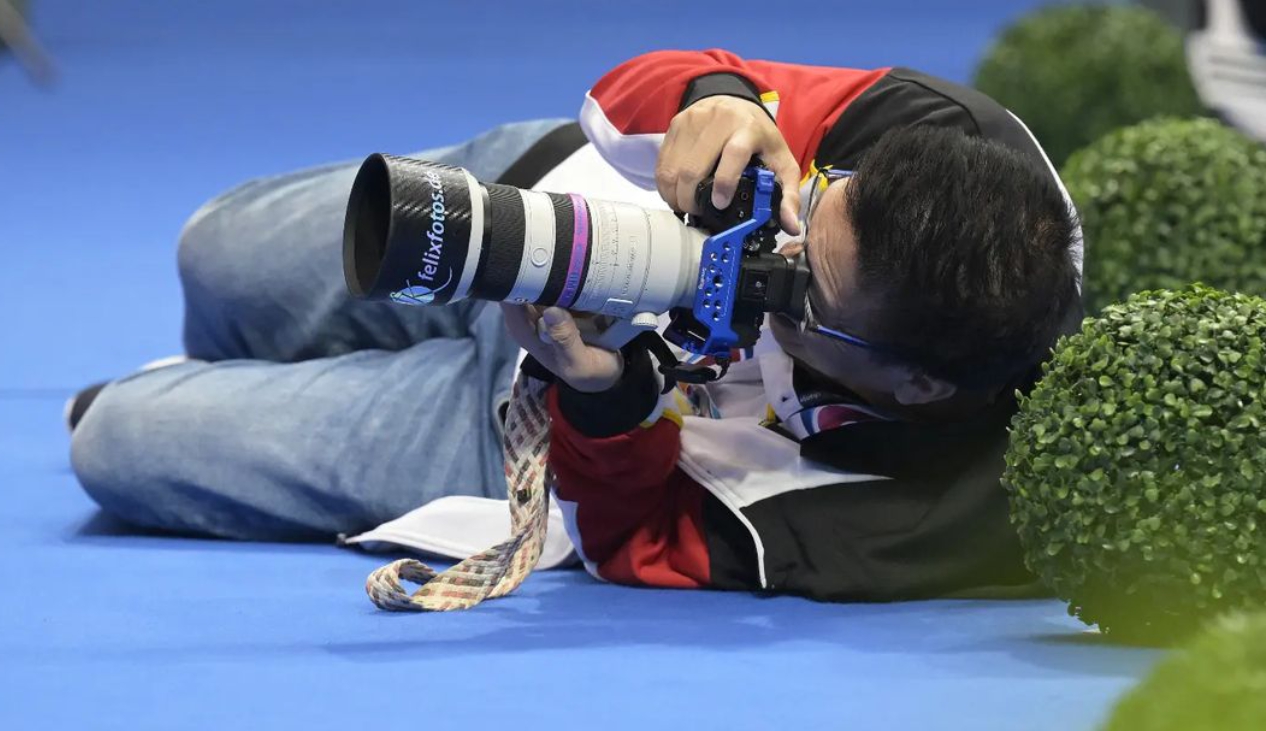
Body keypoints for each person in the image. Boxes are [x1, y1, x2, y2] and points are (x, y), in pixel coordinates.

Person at [69, 49, 1082, 601]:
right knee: (212, 250)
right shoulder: (942, 141)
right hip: (548, 200)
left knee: (115, 440)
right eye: (808, 208)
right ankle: (252, 356)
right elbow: (656, 81)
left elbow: (641, 538)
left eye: (799, 292)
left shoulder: (906, 521)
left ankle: (212, 391)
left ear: (914, 384)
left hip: (537, 408)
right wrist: (716, 98)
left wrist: (606, 399)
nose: (773, 253)